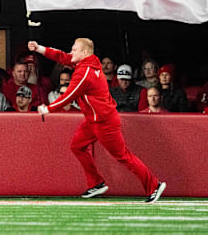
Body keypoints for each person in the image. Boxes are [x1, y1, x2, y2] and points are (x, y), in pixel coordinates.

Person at [29, 39, 166, 203]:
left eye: (74, 50)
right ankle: (96, 183)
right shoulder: (88, 64)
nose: (71, 53)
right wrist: (40, 49)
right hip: (93, 119)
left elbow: (70, 95)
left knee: (123, 156)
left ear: (84, 53)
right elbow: (63, 57)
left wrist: (48, 109)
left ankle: (154, 185)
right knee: (77, 146)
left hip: (104, 121)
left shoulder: (84, 72)